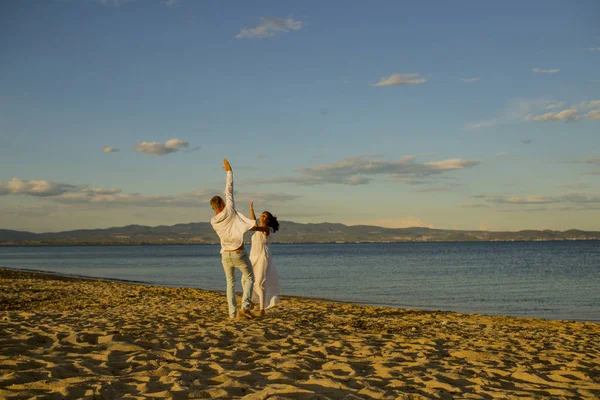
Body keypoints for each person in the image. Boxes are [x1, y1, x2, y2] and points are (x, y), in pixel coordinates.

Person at [210, 158, 269, 319]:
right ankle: (245, 307)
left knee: (230, 283)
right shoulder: (229, 210)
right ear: (222, 205)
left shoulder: (213, 221)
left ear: (213, 208)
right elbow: (229, 190)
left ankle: (231, 313)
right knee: (250, 278)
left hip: (225, 254)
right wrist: (229, 171)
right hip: (238, 253)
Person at [249, 201, 280, 316]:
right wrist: (251, 209)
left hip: (262, 257)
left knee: (259, 283)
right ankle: (252, 301)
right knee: (247, 279)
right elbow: (254, 222)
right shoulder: (259, 227)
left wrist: (249, 227)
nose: (262, 216)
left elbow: (256, 228)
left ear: (268, 220)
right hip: (253, 256)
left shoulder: (267, 229)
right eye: (262, 215)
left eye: (265, 216)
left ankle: (262, 309)